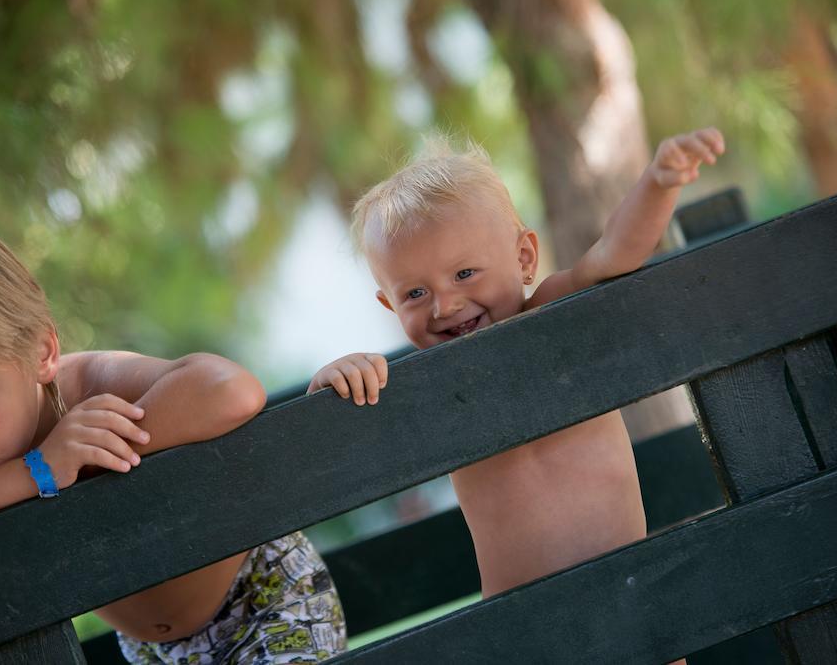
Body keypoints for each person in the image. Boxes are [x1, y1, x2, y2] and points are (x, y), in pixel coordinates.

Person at [0, 215, 346, 664]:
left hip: (263, 602)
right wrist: (38, 471)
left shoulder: (88, 387)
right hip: (149, 652)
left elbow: (231, 391)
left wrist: (90, 459)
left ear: (42, 352)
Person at [308, 128, 725, 599]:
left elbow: (614, 253)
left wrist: (659, 181)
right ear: (390, 306)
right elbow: (337, 429)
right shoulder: (418, 384)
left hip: (633, 591)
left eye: (465, 273)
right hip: (523, 631)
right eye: (416, 293)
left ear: (524, 258)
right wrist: (335, 380)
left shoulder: (551, 314)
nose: (444, 306)